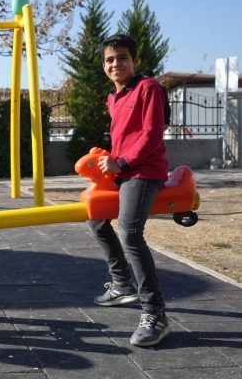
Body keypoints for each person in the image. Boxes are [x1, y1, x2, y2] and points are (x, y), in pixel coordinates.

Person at [89, 34, 171, 347]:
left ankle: (155, 314)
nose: (116, 64)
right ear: (103, 65)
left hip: (144, 171)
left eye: (122, 57)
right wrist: (110, 159)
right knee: (95, 218)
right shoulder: (113, 96)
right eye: (109, 59)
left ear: (134, 61)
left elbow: (152, 134)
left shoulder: (147, 87)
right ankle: (122, 283)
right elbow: (125, 135)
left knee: (130, 233)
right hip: (122, 170)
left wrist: (121, 161)